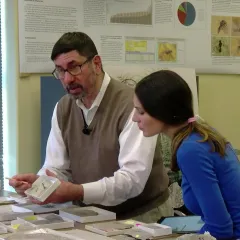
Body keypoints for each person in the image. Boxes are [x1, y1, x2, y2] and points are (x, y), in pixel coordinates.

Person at [9, 32, 171, 222]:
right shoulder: (63, 108)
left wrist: (77, 191)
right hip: (91, 216)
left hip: (142, 216)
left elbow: (131, 181)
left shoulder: (133, 106)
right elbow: (57, 168)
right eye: (60, 71)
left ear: (96, 63)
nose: (68, 79)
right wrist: (38, 186)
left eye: (74, 67)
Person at [132, 69, 240, 239]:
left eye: (141, 112)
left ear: (163, 112)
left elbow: (220, 229)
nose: (134, 118)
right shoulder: (201, 133)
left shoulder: (190, 150)